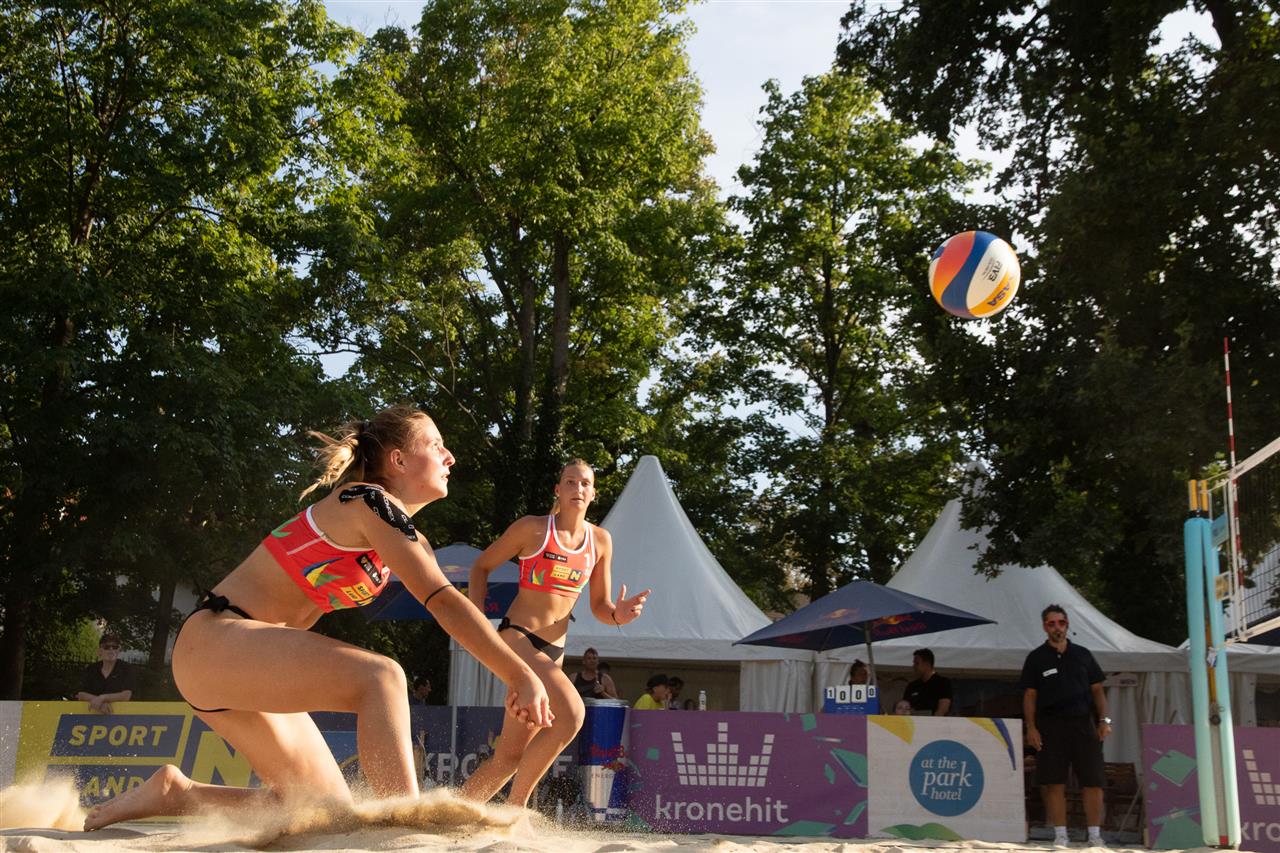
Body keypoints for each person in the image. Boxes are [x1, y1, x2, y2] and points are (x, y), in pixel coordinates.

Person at [83, 406, 553, 831]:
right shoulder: (366, 501)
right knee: (382, 677)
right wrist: (519, 675)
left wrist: (519, 673)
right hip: (214, 643)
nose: (450, 456)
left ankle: (177, 794)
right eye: (436, 445)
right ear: (398, 460)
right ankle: (406, 833)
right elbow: (443, 602)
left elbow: (450, 607)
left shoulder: (405, 535)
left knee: (326, 815)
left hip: (247, 666)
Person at [461, 459, 649, 811]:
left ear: (593, 494)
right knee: (573, 714)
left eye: (585, 483)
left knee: (510, 756)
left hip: (553, 651)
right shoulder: (532, 529)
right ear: (558, 490)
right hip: (517, 637)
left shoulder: (600, 541)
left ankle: (447, 814)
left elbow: (600, 607)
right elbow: (481, 566)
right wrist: (478, 620)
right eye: (570, 482)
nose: (578, 488)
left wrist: (618, 615)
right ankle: (516, 811)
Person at [1020, 604, 1111, 848]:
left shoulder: (1083, 654)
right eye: (1051, 623)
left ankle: (1094, 835)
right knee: (1053, 781)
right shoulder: (1036, 658)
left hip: (1083, 724)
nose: (1057, 628)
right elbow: (1030, 695)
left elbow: (1098, 690)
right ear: (1044, 627)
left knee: (1093, 780)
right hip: (1050, 726)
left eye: (1061, 623)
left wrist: (1104, 720)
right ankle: (1060, 835)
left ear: (1067, 624)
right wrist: (1031, 728)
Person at [76, 633, 136, 714]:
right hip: (92, 716)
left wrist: (102, 698)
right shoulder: (91, 669)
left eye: (115, 647)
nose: (111, 650)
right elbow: (81, 694)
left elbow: (126, 695)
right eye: (106, 647)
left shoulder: (127, 668)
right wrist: (100, 703)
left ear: (118, 650)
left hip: (122, 716)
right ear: (100, 651)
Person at [903, 648, 952, 716]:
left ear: (927, 664)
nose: (913, 666)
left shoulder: (942, 683)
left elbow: (943, 709)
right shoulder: (912, 685)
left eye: (917, 663)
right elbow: (904, 707)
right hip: (912, 721)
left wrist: (932, 720)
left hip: (933, 721)